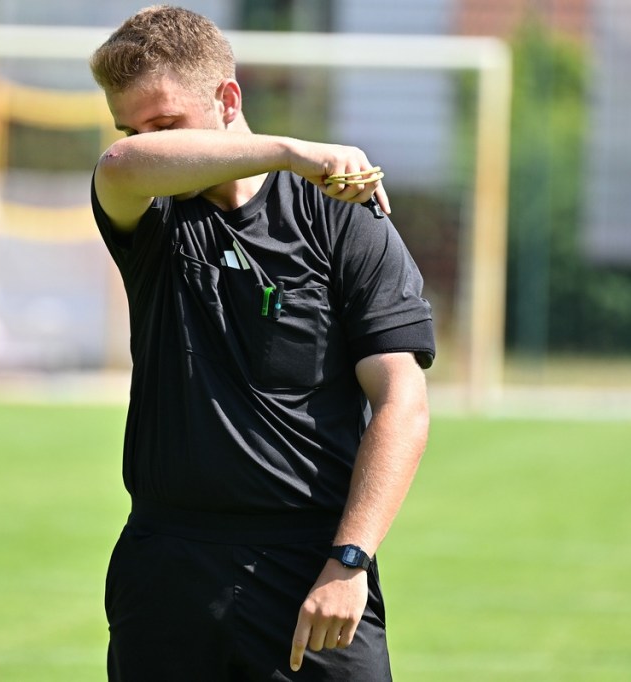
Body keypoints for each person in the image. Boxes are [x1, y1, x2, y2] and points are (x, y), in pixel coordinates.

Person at [88, 5, 435, 680]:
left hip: (311, 564)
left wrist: (350, 560)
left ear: (228, 100)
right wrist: (288, 151)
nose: (148, 143)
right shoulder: (152, 209)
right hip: (167, 567)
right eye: (132, 128)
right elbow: (120, 164)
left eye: (165, 124)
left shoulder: (341, 217)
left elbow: (403, 401)